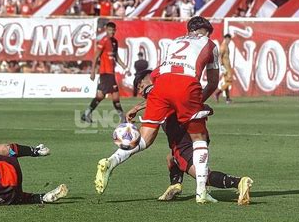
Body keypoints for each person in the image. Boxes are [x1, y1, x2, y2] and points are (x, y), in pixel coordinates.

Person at [94, 16, 220, 204]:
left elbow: (157, 75)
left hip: (160, 85)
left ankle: (112, 160)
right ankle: (202, 193)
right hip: (186, 84)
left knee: (145, 139)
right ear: (205, 31)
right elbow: (213, 83)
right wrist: (196, 102)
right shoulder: (210, 44)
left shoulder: (176, 42)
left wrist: (140, 105)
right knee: (198, 137)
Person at [129, 69, 253, 205]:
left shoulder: (157, 91)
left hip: (184, 142)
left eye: (140, 86)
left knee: (203, 176)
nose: (141, 91)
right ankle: (175, 185)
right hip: (197, 135)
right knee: (171, 158)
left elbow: (153, 96)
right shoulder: (166, 97)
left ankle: (239, 182)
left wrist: (136, 109)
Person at [81, 22, 131, 123]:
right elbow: (96, 56)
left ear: (115, 31)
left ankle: (86, 114)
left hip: (110, 73)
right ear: (106, 30)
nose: (111, 32)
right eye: (109, 30)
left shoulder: (115, 42)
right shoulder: (103, 41)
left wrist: (124, 66)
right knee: (115, 96)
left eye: (113, 30)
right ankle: (123, 118)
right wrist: (93, 72)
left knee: (100, 96)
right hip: (106, 72)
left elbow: (116, 56)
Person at [214, 34, 233, 104]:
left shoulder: (226, 46)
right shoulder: (223, 46)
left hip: (227, 66)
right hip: (226, 67)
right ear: (226, 39)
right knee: (229, 82)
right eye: (229, 39)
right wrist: (222, 66)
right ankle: (217, 93)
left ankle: (228, 99)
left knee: (227, 82)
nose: (229, 41)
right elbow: (220, 56)